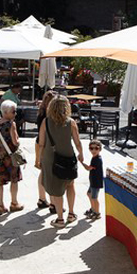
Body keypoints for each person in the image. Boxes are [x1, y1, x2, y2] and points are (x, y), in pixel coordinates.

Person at [37, 95, 85, 228]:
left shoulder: (45, 122)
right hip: (68, 157)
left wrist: (39, 159)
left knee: (57, 190)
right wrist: (81, 154)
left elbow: (41, 143)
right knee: (70, 184)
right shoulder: (71, 122)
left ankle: (60, 219)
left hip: (50, 158)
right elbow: (77, 142)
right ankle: (71, 213)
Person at [0, 100, 23, 215]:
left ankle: (1, 206)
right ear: (6, 112)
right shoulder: (11, 124)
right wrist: (18, 139)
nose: (15, 113)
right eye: (14, 111)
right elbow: (15, 142)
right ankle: (14, 203)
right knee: (14, 180)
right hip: (9, 158)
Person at [35, 90, 58, 211]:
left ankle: (42, 198)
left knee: (43, 172)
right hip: (47, 145)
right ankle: (53, 203)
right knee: (49, 174)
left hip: (39, 144)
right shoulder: (50, 116)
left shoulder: (41, 112)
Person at [82, 139, 104, 220]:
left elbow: (88, 168)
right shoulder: (95, 157)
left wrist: (81, 162)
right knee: (89, 194)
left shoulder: (97, 159)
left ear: (100, 149)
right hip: (93, 181)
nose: (94, 150)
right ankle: (93, 208)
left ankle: (97, 213)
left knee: (94, 198)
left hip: (96, 182)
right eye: (91, 148)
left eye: (96, 148)